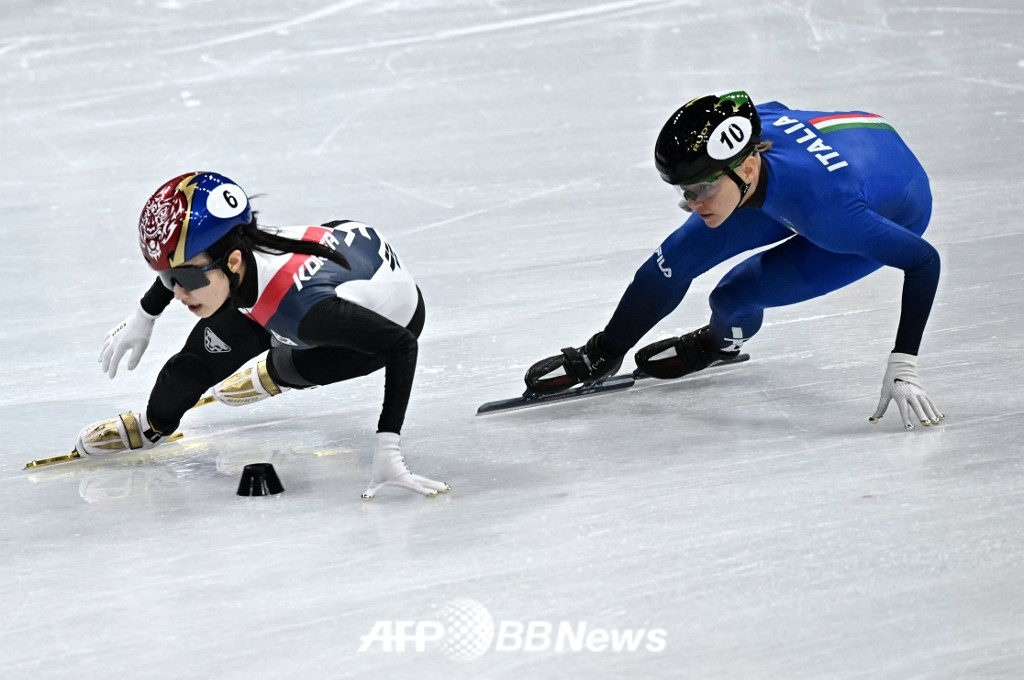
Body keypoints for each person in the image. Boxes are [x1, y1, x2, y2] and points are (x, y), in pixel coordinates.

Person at [525, 90, 943, 430]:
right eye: (684, 191)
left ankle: (717, 344)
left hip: (888, 206)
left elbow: (923, 262)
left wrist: (904, 361)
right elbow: (774, 110)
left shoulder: (828, 212)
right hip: (824, 161)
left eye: (701, 189)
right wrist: (706, 189)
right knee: (672, 259)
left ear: (745, 166)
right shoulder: (741, 147)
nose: (692, 202)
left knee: (734, 296)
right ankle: (604, 351)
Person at [76, 171, 450, 498]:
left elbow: (401, 346)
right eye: (166, 279)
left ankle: (277, 373)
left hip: (387, 321)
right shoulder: (237, 249)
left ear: (233, 261)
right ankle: (153, 425)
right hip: (341, 261)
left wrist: (388, 447)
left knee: (294, 363)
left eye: (186, 279)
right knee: (193, 364)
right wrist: (145, 313)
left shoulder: (304, 313)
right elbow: (186, 267)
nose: (177, 292)